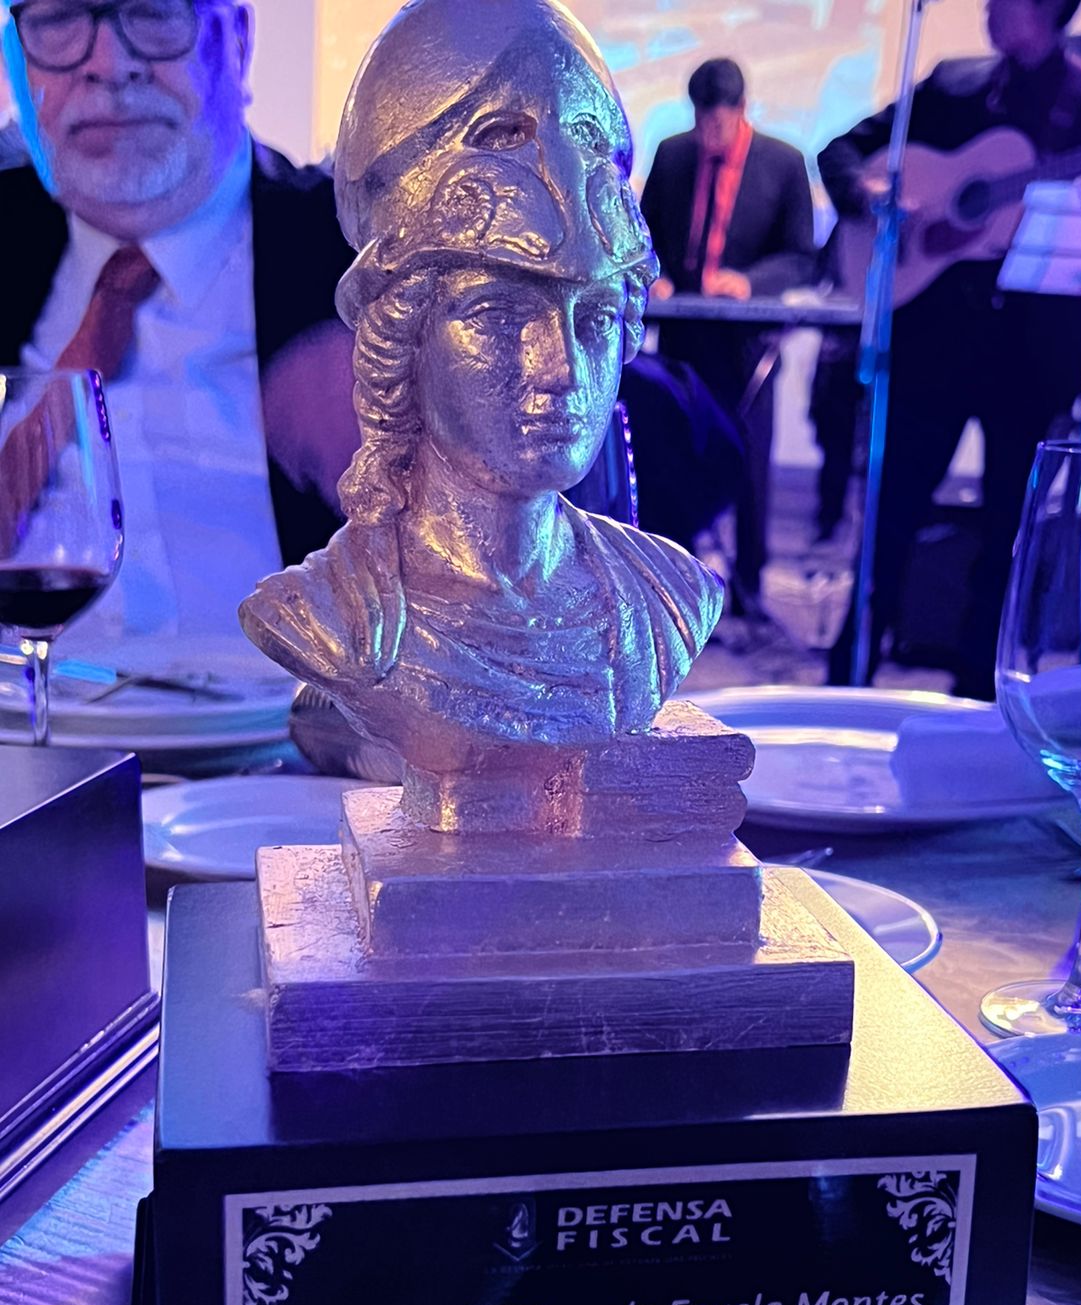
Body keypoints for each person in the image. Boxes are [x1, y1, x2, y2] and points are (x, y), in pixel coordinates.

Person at [240, 0, 723, 792]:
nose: (562, 368)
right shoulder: (333, 618)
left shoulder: (665, 596)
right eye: (500, 314)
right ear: (407, 338)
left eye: (596, 319)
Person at [0, 0, 357, 659]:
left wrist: (437, 456)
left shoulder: (371, 263)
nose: (110, 65)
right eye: (58, 19)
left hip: (300, 720)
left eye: (155, 13)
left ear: (238, 42)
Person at [820, 0, 1081, 698]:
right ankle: (848, 673)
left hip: (1030, 356)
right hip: (933, 344)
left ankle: (981, 687)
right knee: (892, 512)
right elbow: (840, 151)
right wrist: (867, 193)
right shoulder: (952, 84)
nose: (988, 8)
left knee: (1009, 522)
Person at [639, 57, 815, 615]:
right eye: (700, 121)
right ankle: (677, 576)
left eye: (719, 121)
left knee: (751, 462)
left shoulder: (783, 162)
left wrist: (749, 282)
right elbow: (644, 234)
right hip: (685, 334)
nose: (708, 133)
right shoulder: (673, 154)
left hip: (748, 344)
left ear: (742, 110)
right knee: (673, 449)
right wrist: (658, 274)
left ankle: (749, 583)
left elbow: (801, 257)